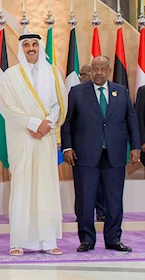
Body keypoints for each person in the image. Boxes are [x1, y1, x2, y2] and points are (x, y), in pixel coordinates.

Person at [62, 56, 139, 253]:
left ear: (109, 71)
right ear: (91, 70)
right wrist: (67, 148)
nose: (98, 73)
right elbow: (68, 122)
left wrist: (136, 147)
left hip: (114, 154)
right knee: (85, 198)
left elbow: (131, 121)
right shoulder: (77, 92)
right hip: (85, 155)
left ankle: (113, 239)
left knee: (114, 199)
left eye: (103, 69)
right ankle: (87, 240)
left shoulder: (120, 91)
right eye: (95, 69)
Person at [1, 33, 67, 256]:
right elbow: (7, 106)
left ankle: (48, 241)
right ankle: (18, 241)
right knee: (22, 186)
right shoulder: (11, 76)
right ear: (21, 48)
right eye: (26, 45)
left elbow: (59, 103)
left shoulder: (53, 73)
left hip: (46, 137)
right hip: (23, 137)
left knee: (46, 187)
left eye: (34, 44)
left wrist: (46, 124)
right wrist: (33, 123)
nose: (30, 48)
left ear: (40, 47)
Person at [77, 64, 105, 222]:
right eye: (81, 74)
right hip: (83, 149)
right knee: (83, 187)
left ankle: (102, 212)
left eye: (85, 73)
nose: (83, 77)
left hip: (104, 147)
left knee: (102, 185)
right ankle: (81, 215)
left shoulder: (108, 92)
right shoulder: (76, 92)